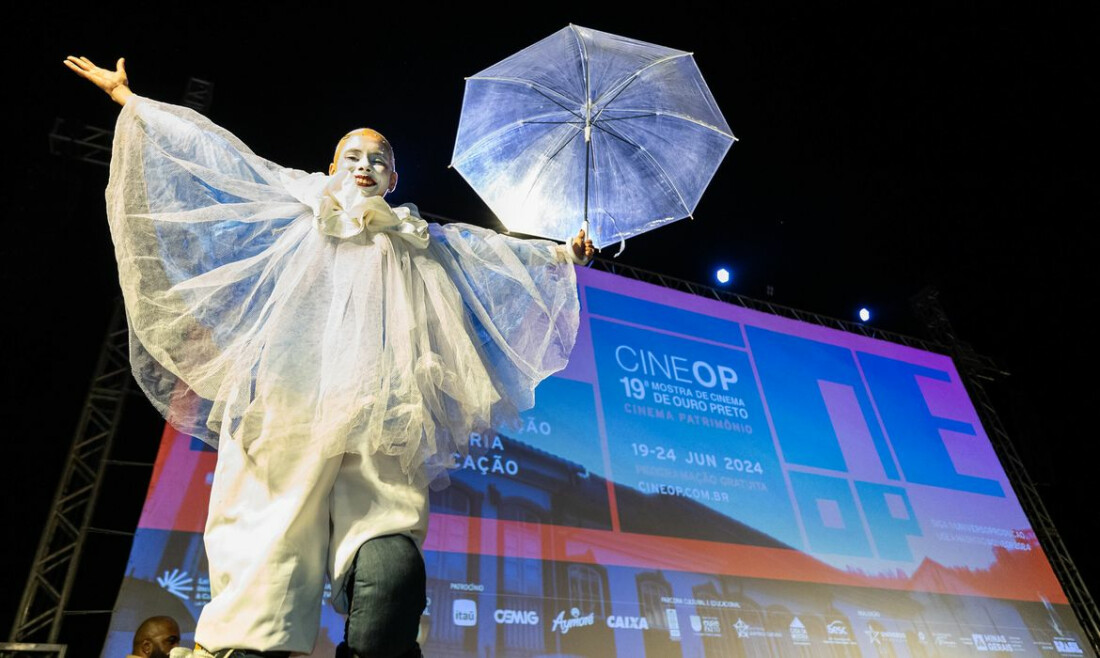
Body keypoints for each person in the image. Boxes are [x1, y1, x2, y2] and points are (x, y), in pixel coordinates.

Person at [65, 56, 593, 657]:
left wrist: (563, 255)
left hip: (378, 419)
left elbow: (489, 256)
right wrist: (133, 103)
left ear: (394, 177)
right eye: (353, 157)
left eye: (378, 159)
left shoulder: (418, 240)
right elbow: (222, 158)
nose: (365, 166)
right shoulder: (300, 200)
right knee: (267, 557)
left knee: (390, 568)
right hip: (288, 408)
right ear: (331, 166)